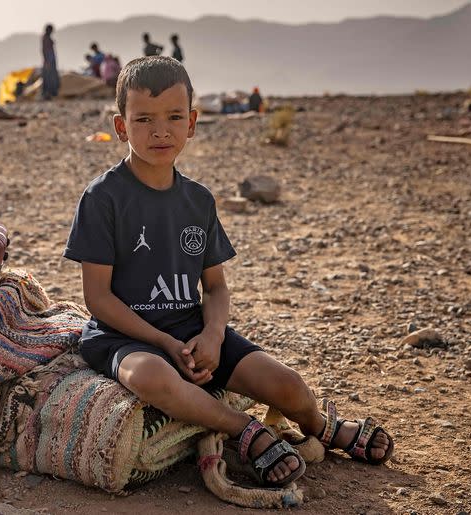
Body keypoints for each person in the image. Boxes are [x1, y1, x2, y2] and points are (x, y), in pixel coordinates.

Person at [63, 56, 394, 487]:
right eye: (144, 118)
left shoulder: (197, 201)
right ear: (121, 126)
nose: (160, 131)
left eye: (174, 117)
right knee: (149, 376)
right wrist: (165, 341)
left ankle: (321, 425)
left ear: (192, 122)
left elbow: (215, 287)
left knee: (288, 385)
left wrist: (214, 335)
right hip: (126, 337)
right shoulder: (103, 197)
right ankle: (243, 429)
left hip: (194, 331)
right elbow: (98, 299)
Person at [41, 24, 60, 100]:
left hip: (50, 60)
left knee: (51, 78)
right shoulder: (45, 38)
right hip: (49, 61)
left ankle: (50, 94)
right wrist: (47, 61)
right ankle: (47, 94)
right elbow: (45, 50)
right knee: (49, 78)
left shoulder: (47, 38)